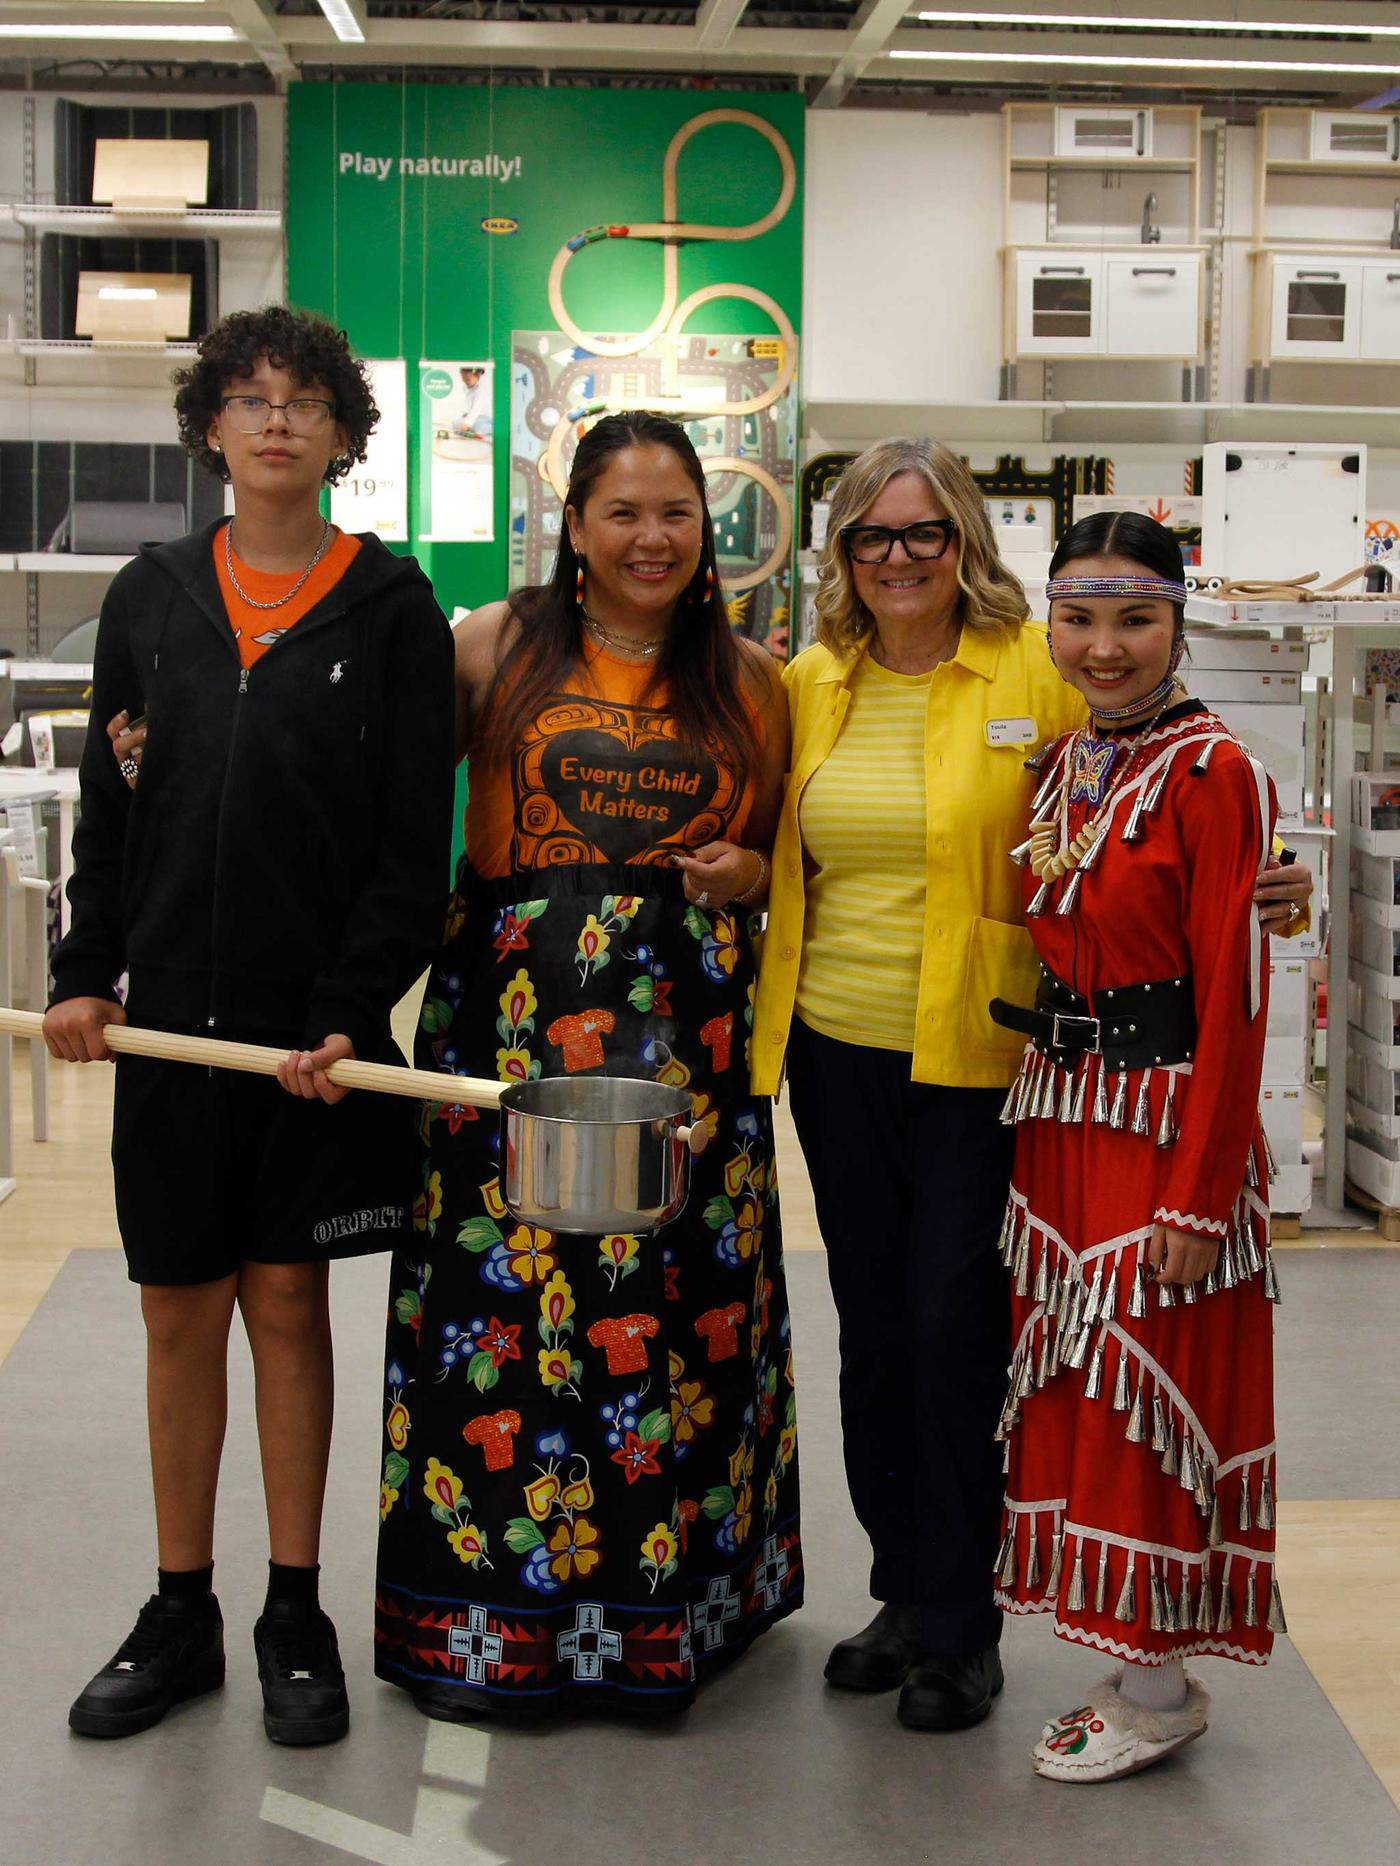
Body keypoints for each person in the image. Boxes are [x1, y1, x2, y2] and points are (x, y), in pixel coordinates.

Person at [750, 441, 1311, 1735]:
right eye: (874, 537)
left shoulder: (1032, 668)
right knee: (875, 1331)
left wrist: (1268, 878)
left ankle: (963, 1620)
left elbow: (1166, 788)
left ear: (966, 545)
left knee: (955, 1330)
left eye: (925, 533)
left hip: (982, 1059)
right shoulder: (809, 681)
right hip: (837, 1046)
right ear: (842, 554)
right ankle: (902, 1591)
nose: (901, 557)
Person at [44, 304, 455, 1747]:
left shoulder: (390, 607)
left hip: (309, 1048)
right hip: (168, 1038)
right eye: (248, 397)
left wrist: (351, 1011)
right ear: (210, 427)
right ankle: (180, 1606)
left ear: (346, 434)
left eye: (304, 401)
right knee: (177, 1316)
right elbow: (112, 808)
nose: (276, 419)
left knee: (287, 1306)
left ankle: (294, 1603)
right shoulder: (152, 595)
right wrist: (84, 973)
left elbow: (414, 847)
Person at [373, 410, 801, 1720]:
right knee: (493, 1325)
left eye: (676, 511)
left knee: (677, 1322)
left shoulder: (753, 679)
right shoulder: (489, 648)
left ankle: (676, 1617)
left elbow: (799, 859)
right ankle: (485, 1622)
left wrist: (750, 871)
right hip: (503, 1036)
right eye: (622, 510)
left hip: (693, 1050)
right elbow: (374, 804)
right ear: (572, 525)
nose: (652, 536)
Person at [991, 512, 1283, 1783]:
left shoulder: (1217, 773)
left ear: (1178, 620)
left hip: (1164, 1129)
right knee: (1079, 1391)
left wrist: (1202, 1192)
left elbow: (1236, 989)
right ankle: (1129, 1658)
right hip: (1060, 1120)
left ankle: (1160, 1686)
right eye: (1077, 617)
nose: (1102, 647)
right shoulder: (1057, 764)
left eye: (1133, 618)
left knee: (1145, 1389)